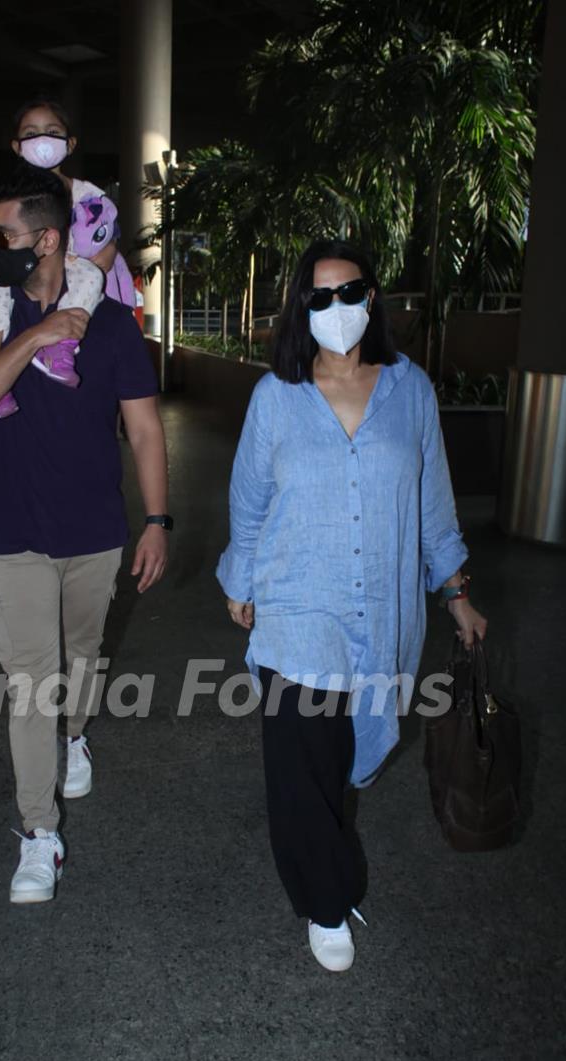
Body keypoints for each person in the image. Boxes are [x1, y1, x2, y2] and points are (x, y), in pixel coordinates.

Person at [217, 239, 487, 973]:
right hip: (297, 606)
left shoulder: (411, 391)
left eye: (350, 292)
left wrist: (455, 592)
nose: (337, 309)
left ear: (374, 297)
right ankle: (327, 901)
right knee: (301, 768)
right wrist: (239, 581)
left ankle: (324, 869)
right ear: (300, 308)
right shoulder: (277, 395)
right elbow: (248, 502)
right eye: (319, 296)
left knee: (342, 758)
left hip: (383, 612)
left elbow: (433, 503)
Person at [0, 162, 171, 904]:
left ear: (45, 240)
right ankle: (40, 833)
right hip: (11, 536)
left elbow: (143, 430)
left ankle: (77, 734)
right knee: (30, 686)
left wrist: (158, 520)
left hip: (96, 531)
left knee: (84, 659)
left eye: (0, 234)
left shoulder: (109, 326)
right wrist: (35, 338)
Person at [0, 98, 122, 420]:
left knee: (91, 276)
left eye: (52, 131)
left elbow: (108, 232)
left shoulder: (88, 194)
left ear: (70, 144)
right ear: (16, 146)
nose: (42, 139)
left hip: (72, 270)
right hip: (21, 270)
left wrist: (106, 253)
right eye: (31, 132)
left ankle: (59, 348)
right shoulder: (11, 194)